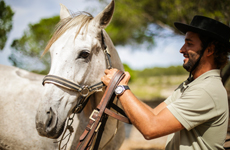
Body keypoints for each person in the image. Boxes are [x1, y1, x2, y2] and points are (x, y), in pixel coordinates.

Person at [101, 15, 230, 150]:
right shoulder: (192, 85)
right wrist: (121, 91)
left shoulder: (206, 90)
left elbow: (151, 128)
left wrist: (120, 89)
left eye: (189, 44)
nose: (181, 49)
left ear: (210, 50)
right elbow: (153, 113)